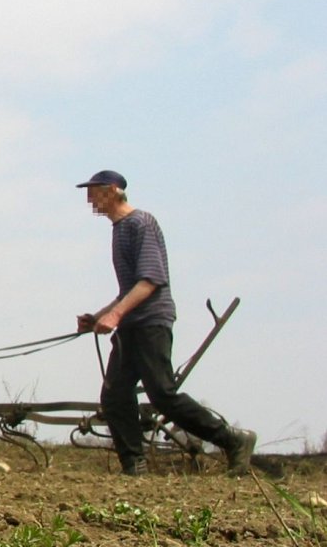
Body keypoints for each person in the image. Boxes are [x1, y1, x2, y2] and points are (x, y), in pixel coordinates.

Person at [75, 170, 255, 476]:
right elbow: (127, 290)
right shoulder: (119, 229)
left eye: (95, 192)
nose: (90, 199)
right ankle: (135, 466)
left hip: (151, 321)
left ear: (115, 191)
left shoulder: (140, 223)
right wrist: (99, 316)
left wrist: (115, 315)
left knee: (162, 394)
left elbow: (151, 280)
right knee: (115, 395)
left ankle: (234, 440)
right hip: (132, 323)